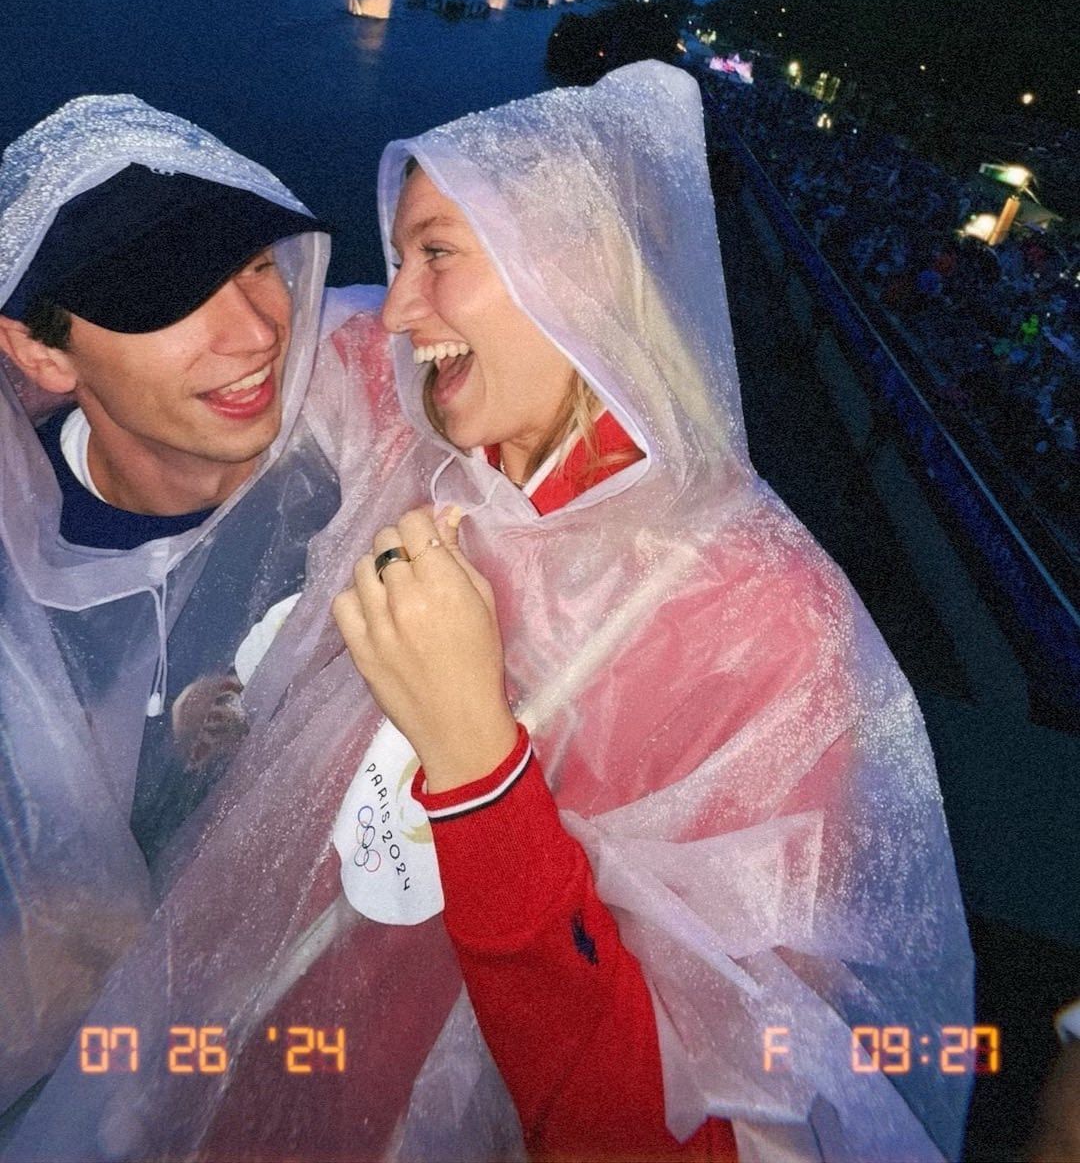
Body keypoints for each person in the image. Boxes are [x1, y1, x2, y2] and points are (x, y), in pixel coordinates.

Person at [8, 65, 973, 1163]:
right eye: (398, 260)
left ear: (578, 266)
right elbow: (189, 378)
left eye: (436, 254)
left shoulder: (766, 623)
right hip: (213, 1078)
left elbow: (714, 1135)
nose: (397, 306)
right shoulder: (421, 433)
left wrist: (477, 765)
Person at [0, 93, 399, 1127]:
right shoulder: (18, 600)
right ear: (43, 354)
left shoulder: (362, 451)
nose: (258, 331)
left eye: (258, 264)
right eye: (169, 299)